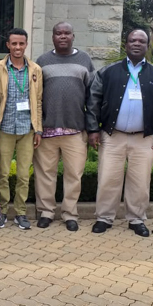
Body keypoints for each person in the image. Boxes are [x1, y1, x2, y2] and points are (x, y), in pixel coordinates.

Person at [86, 29, 153, 237]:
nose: (136, 44)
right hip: (112, 135)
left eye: (141, 41)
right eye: (132, 40)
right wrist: (92, 129)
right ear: (126, 44)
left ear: (147, 46)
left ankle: (136, 219)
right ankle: (104, 218)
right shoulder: (108, 71)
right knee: (108, 178)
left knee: (140, 181)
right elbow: (93, 101)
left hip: (144, 139)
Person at [34, 22, 94, 231]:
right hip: (47, 129)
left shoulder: (84, 60)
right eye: (58, 33)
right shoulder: (42, 61)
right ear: (52, 37)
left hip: (75, 129)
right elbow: (36, 96)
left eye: (66, 33)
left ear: (73, 36)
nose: (62, 36)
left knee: (74, 175)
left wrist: (92, 127)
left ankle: (70, 214)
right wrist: (37, 127)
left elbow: (92, 96)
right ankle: (46, 212)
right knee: (45, 174)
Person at [0, 28, 43, 230]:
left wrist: (38, 129)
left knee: (23, 175)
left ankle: (20, 213)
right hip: (4, 128)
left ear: (26, 44)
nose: (18, 47)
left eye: (21, 43)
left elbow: (38, 102)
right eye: (14, 43)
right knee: (3, 173)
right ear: (8, 45)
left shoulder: (35, 70)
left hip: (26, 130)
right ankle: (2, 210)